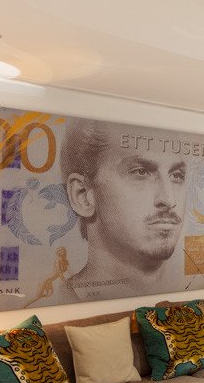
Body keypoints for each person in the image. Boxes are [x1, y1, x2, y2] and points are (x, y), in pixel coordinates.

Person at [60, 118, 188, 301]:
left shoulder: (188, 296)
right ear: (82, 195)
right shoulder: (54, 303)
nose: (169, 200)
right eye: (140, 172)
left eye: (176, 175)